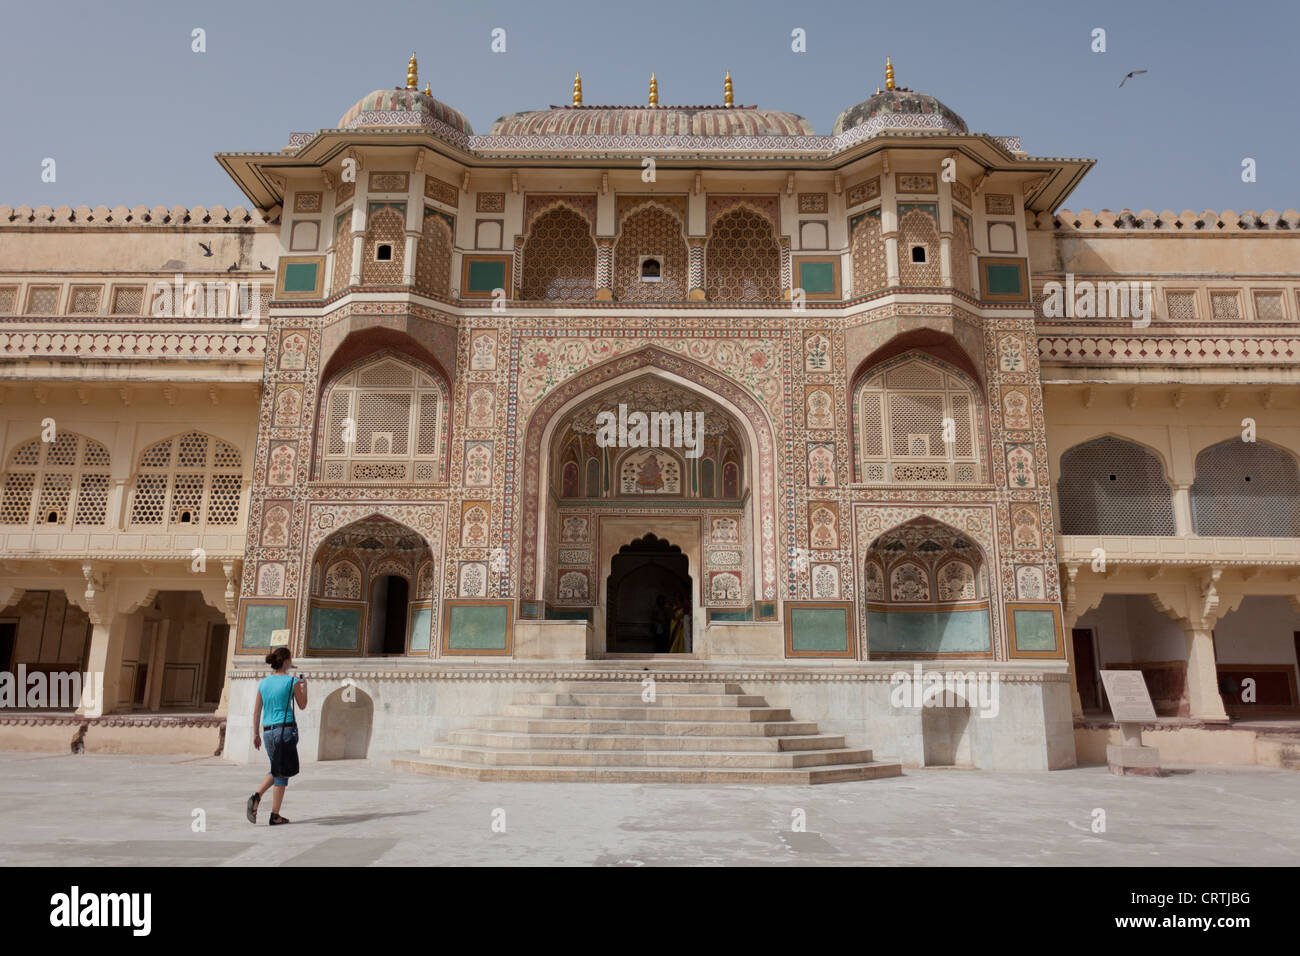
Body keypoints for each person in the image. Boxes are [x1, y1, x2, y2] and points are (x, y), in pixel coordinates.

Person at [246, 646, 307, 825]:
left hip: (267, 731)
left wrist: (255, 733)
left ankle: (268, 807)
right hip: (285, 730)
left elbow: (257, 711)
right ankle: (267, 807)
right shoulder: (291, 682)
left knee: (277, 767)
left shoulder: (264, 683)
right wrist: (304, 687)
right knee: (281, 772)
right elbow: (302, 705)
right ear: (287, 661)